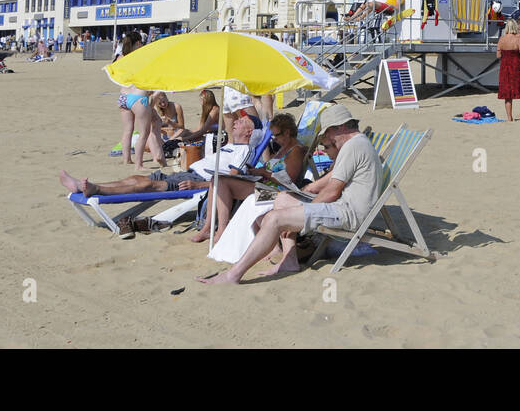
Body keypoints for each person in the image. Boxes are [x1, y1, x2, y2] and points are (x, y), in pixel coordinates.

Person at [198, 104, 381, 284]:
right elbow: (332, 187)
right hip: (343, 206)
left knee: (273, 219)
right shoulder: (358, 143)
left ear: (340, 127)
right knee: (283, 198)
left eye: (328, 134)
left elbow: (332, 192)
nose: (329, 139)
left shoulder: (353, 146)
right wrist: (302, 207)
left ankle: (233, 275)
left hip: (347, 214)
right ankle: (290, 260)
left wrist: (303, 211)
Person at [59, 113, 264, 198]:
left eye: (243, 121)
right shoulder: (231, 146)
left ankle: (96, 190)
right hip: (190, 174)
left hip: (197, 180)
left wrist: (201, 186)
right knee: (138, 179)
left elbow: (235, 178)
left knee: (149, 185)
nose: (236, 121)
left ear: (249, 132)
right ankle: (89, 186)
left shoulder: (244, 150)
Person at [190, 112, 308, 245]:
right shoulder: (283, 148)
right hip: (264, 185)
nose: (274, 139)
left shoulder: (296, 151)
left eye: (276, 135)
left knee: (222, 181)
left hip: (276, 193)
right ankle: (208, 227)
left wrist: (263, 172)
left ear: (287, 132)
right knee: (216, 179)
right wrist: (256, 171)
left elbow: (288, 180)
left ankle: (221, 230)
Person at [496, 19, 520, 121]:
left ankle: (509, 118)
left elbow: (498, 55)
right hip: (516, 67)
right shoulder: (517, 39)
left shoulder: (501, 39)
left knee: (507, 95)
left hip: (505, 68)